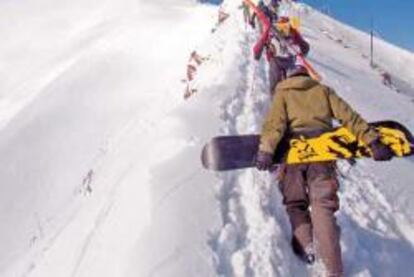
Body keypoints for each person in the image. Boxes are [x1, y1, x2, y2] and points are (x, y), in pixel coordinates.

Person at [255, 66, 394, 276]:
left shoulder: (283, 92)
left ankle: (306, 245)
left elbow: (275, 124)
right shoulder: (323, 91)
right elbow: (350, 118)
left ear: (290, 77)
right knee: (323, 208)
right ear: (306, 76)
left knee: (295, 203)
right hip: (322, 156)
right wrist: (372, 140)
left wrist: (266, 150)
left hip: (293, 157)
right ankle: (334, 270)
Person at [254, 16, 310, 95]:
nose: (283, 28)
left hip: (277, 60)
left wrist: (257, 52)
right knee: (289, 80)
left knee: (275, 82)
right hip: (288, 60)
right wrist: (304, 49)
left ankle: (276, 99)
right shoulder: (291, 31)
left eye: (285, 26)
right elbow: (302, 43)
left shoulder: (272, 30)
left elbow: (262, 41)